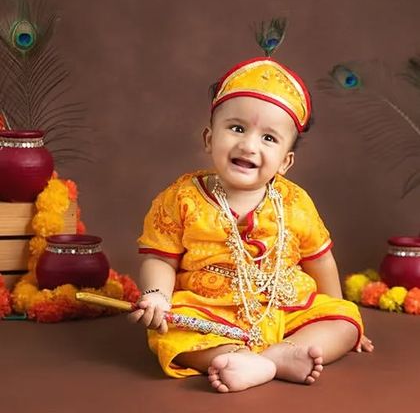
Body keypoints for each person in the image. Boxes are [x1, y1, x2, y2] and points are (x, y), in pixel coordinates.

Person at [130, 55, 374, 393]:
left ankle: (277, 355)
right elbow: (160, 257)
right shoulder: (182, 198)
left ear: (286, 161)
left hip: (287, 309)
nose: (248, 145)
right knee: (172, 332)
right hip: (210, 311)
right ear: (208, 138)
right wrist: (157, 295)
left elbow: (320, 260)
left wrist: (337, 311)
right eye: (237, 128)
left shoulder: (295, 201)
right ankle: (237, 357)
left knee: (344, 323)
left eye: (269, 139)